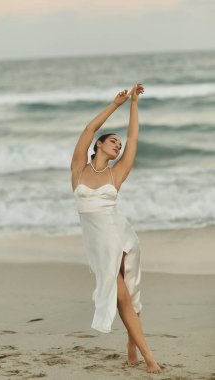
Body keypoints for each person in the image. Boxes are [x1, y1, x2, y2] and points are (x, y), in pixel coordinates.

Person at [70, 84, 162, 374]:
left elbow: (133, 137)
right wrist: (116, 105)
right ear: (98, 145)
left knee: (124, 294)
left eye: (118, 145)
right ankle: (132, 344)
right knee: (124, 294)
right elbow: (87, 129)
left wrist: (135, 103)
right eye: (112, 141)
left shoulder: (117, 172)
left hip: (117, 236)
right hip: (96, 245)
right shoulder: (78, 169)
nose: (118, 145)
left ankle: (147, 356)